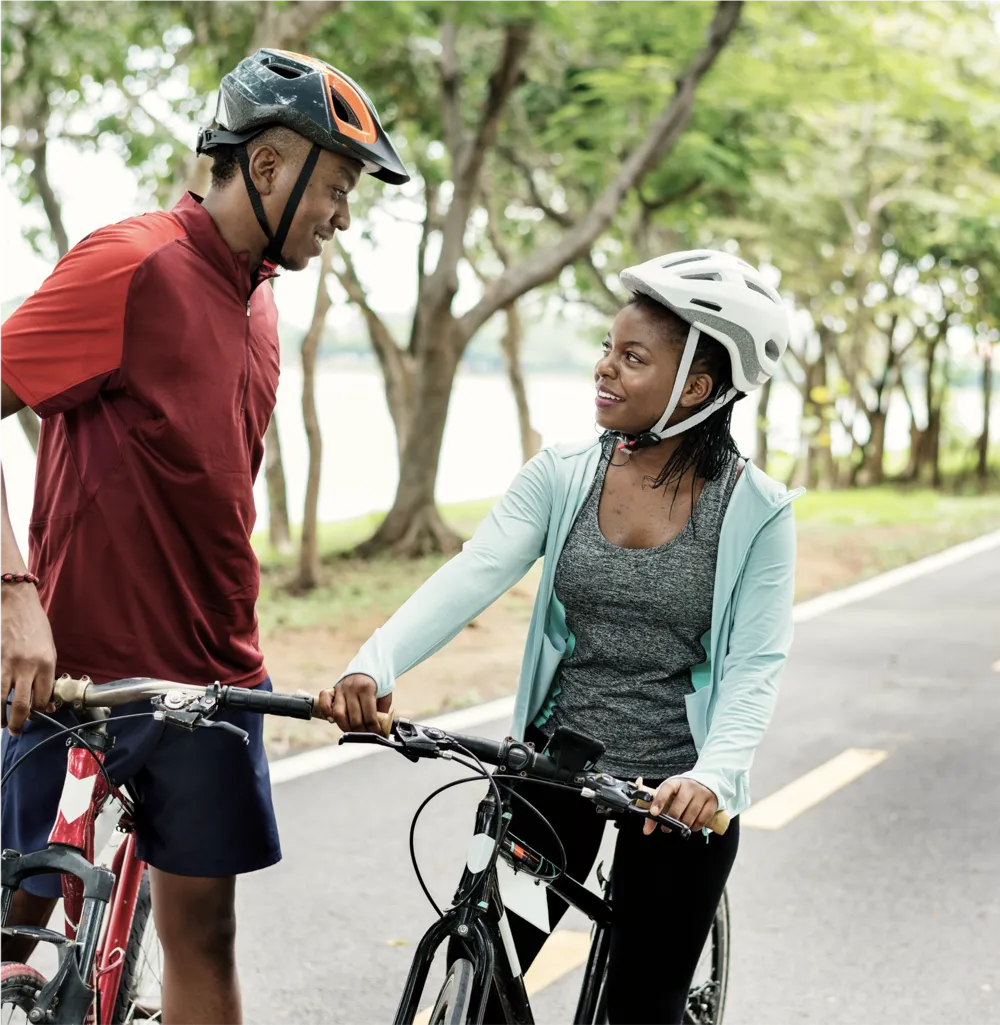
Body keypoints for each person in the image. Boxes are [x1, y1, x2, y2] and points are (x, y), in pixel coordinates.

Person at [0, 48, 407, 1025]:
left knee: (207, 936)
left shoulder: (262, 304)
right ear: (267, 167)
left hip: (217, 681)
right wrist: (12, 590)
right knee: (17, 918)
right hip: (81, 677)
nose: (343, 215)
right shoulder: (131, 262)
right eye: (337, 189)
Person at [321, 250, 801, 1023]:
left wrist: (714, 777)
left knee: (640, 1008)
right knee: (483, 965)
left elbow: (756, 663)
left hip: (678, 796)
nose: (603, 368)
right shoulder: (564, 473)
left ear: (697, 388)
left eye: (631, 357)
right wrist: (373, 665)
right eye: (608, 348)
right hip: (559, 762)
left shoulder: (758, 512)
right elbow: (473, 572)